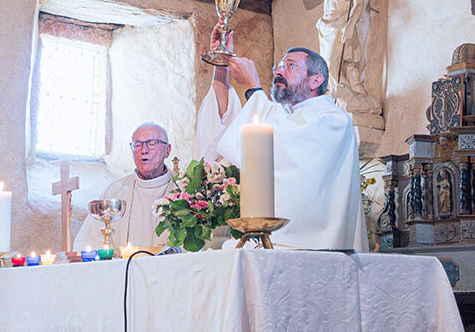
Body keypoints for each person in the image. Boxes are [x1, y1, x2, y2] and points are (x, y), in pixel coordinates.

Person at [196, 33, 368, 251]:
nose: (278, 71)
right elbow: (233, 132)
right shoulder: (288, 117)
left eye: (290, 66)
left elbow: (277, 144)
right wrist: (222, 63)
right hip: (276, 245)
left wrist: (253, 87)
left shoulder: (333, 120)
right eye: (278, 66)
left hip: (312, 249)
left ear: (316, 80)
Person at [72, 123, 174, 250]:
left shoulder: (184, 191)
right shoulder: (114, 191)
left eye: (152, 143)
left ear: (167, 150)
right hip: (121, 269)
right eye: (137, 145)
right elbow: (87, 242)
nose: (144, 150)